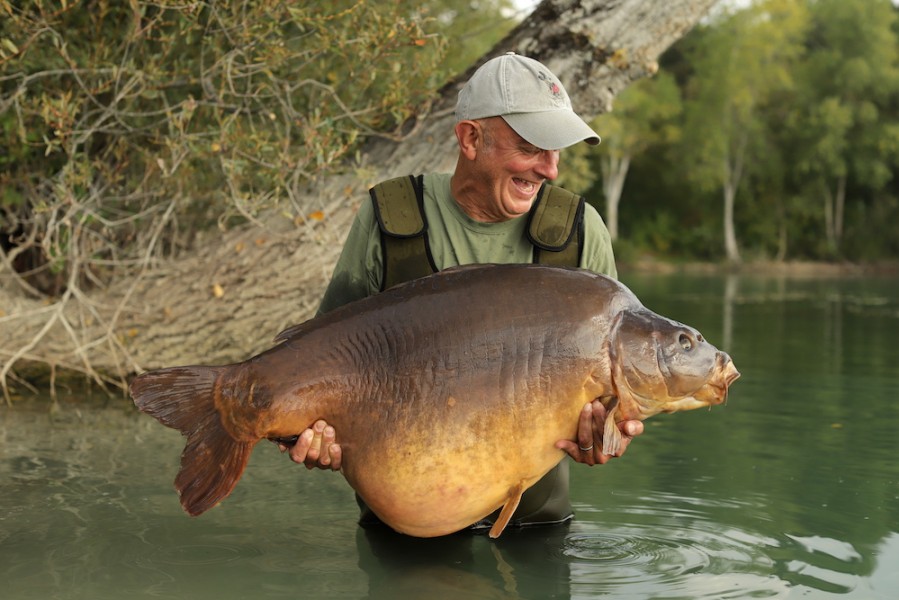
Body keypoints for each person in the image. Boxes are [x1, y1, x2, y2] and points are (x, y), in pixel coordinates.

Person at [280, 52, 644, 531]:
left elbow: (613, 404)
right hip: (407, 530)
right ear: (471, 138)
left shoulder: (579, 231)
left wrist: (611, 434)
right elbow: (316, 367)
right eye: (533, 146)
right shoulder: (389, 219)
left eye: (559, 151)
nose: (550, 169)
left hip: (535, 528)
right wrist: (306, 438)